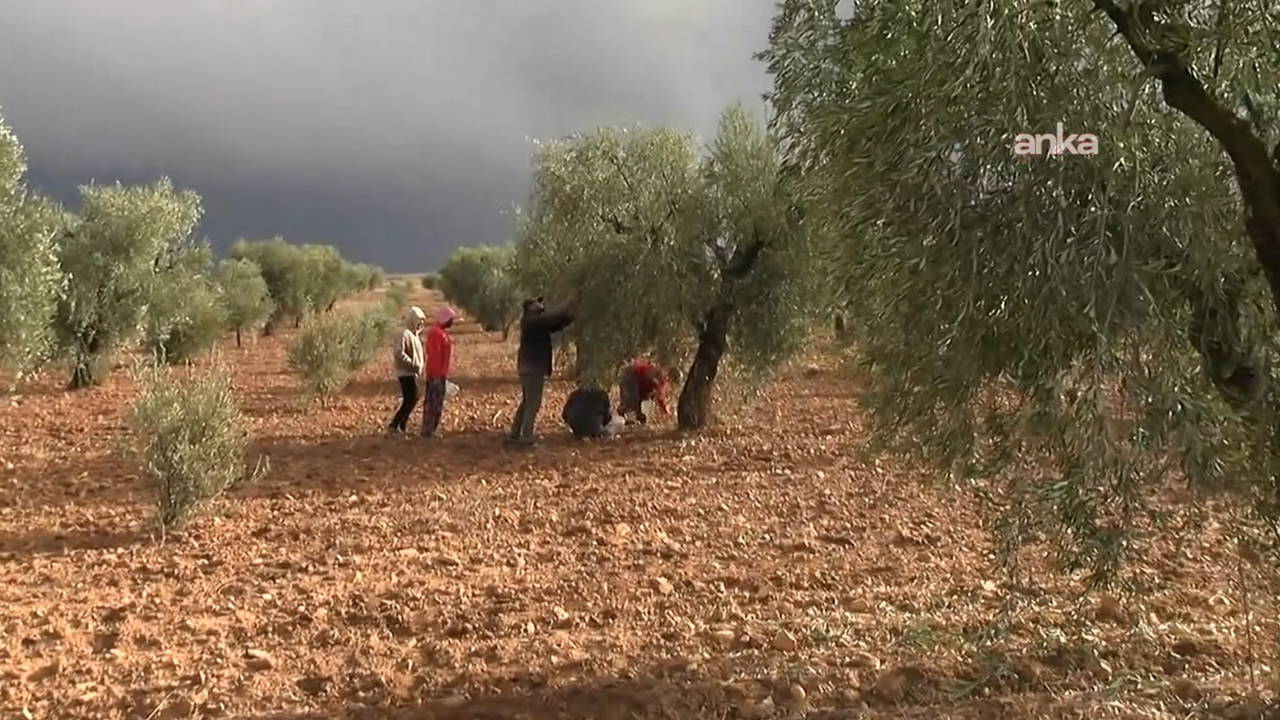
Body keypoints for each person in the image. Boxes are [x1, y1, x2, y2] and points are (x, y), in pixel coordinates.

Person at [506, 295, 575, 446]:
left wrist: (572, 314)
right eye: (537, 302)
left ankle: (515, 434)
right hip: (533, 369)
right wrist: (569, 302)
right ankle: (526, 438)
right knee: (533, 404)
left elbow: (557, 323)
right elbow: (553, 317)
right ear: (530, 307)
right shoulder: (532, 321)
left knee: (526, 402)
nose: (540, 304)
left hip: (529, 368)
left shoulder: (536, 322)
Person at [388, 307, 426, 436]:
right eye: (419, 320)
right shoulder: (403, 333)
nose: (421, 324)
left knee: (411, 398)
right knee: (411, 398)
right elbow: (399, 353)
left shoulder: (413, 334)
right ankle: (395, 425)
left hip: (411, 372)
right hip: (405, 372)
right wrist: (413, 365)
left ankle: (401, 427)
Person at [421, 306, 456, 439]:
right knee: (435, 402)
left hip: (435, 373)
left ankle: (428, 429)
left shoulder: (437, 332)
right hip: (436, 374)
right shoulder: (438, 334)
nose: (452, 322)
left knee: (431, 401)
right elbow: (435, 355)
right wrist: (440, 374)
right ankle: (430, 430)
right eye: (451, 319)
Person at [618, 359, 670, 424]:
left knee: (646, 395)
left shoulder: (660, 377)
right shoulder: (661, 378)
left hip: (635, 379)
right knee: (631, 401)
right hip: (631, 375)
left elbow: (659, 399)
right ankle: (623, 413)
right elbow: (660, 399)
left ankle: (636, 415)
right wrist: (666, 414)